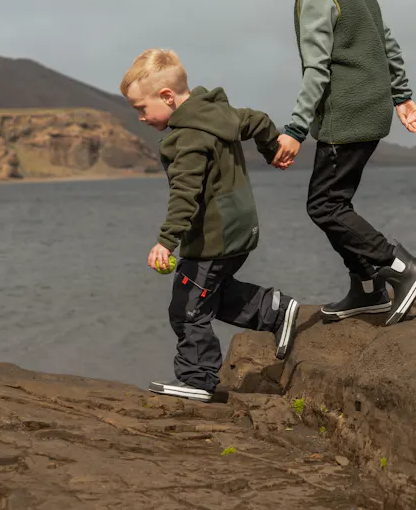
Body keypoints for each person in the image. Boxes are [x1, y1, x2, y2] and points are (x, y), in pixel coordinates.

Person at [259, 0, 416, 326]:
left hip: (345, 117)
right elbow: (385, 40)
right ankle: (367, 289)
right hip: (371, 113)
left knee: (325, 206)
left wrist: (295, 131)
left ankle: (399, 267)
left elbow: (317, 72)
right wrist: (402, 95)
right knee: (336, 202)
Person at [120, 48, 299, 402]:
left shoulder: (186, 138)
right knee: (209, 294)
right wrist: (271, 149)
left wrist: (165, 241)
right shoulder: (221, 113)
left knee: (186, 308)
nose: (140, 117)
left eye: (142, 108)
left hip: (213, 237)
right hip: (241, 229)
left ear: (167, 97)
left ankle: (197, 379)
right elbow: (260, 120)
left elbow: (185, 195)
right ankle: (273, 309)